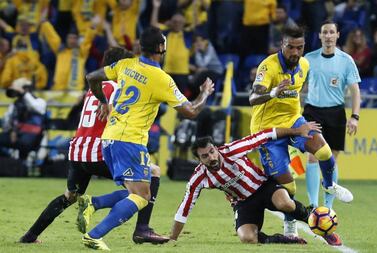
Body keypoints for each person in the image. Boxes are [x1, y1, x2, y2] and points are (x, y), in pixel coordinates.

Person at [82, 26, 214, 250]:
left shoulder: (126, 64)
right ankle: (95, 234)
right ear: (161, 48)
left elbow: (91, 77)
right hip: (130, 140)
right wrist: (204, 93)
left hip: (110, 137)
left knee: (144, 182)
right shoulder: (161, 79)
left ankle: (96, 205)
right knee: (142, 196)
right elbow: (191, 111)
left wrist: (103, 101)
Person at [18, 47, 168, 244]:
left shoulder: (93, 89)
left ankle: (30, 236)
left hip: (78, 150)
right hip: (99, 151)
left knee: (70, 196)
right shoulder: (118, 88)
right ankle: (140, 228)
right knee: (148, 180)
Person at [248, 25, 353, 246]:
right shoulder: (268, 66)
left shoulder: (304, 64)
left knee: (324, 151)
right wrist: (274, 92)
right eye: (290, 47)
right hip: (267, 131)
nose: (295, 52)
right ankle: (290, 226)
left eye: (300, 47)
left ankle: (329, 184)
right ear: (282, 45)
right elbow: (253, 97)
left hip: (294, 121)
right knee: (290, 187)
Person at [170, 122, 321, 244]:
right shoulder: (199, 177)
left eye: (212, 152)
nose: (211, 157)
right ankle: (281, 239)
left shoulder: (233, 150)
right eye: (205, 156)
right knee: (247, 238)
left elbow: (264, 135)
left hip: (264, 187)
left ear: (216, 149)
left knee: (285, 204)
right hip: (243, 202)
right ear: (199, 160)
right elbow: (185, 207)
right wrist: (173, 238)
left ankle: (312, 217)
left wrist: (296, 131)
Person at [303, 20, 361, 245]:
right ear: (319, 36)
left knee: (332, 160)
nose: (328, 36)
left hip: (336, 113)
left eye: (331, 32)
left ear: (337, 35)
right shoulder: (308, 59)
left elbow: (355, 90)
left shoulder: (346, 61)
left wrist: (355, 117)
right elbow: (298, 85)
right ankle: (312, 205)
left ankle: (327, 208)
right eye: (324, 32)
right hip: (313, 113)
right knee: (312, 156)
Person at [0, 77, 46, 160]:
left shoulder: (39, 101)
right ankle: (9, 162)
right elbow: (7, 124)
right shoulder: (15, 104)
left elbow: (38, 108)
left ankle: (22, 163)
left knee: (24, 144)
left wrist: (24, 93)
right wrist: (12, 130)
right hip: (16, 134)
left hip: (32, 135)